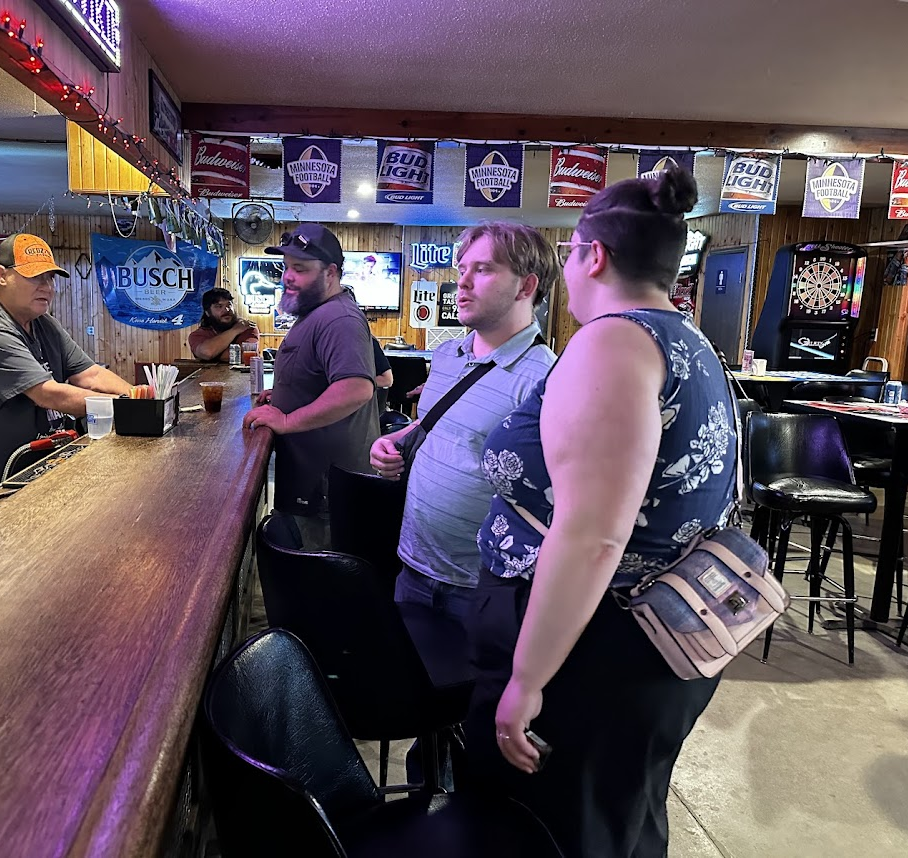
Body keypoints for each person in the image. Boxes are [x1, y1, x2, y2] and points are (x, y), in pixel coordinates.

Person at [462, 168, 736, 857]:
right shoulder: (690, 340)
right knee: (616, 824)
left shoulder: (612, 342)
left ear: (594, 255)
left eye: (569, 254)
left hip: (591, 645)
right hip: (642, 638)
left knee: (551, 832)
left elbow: (592, 537)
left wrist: (527, 679)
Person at [369, 222, 559, 624]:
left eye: (483, 270)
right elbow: (437, 426)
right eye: (462, 270)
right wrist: (395, 442)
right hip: (413, 563)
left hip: (484, 586)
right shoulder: (447, 356)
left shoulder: (548, 379)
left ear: (526, 286)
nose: (463, 283)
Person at [0, 233, 139, 518]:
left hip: (17, 479)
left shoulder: (44, 324)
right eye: (35, 277)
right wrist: (130, 407)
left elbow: (91, 374)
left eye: (50, 278)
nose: (46, 287)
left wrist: (139, 398)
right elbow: (47, 394)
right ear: (2, 275)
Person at [242, 224, 379, 549]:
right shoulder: (317, 313)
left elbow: (356, 388)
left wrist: (288, 419)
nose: (288, 277)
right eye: (286, 267)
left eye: (300, 269)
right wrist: (287, 393)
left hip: (327, 494)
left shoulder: (338, 319)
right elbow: (320, 377)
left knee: (318, 576)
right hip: (312, 486)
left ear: (330, 272)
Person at [188, 287, 259, 362]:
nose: (227, 310)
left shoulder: (247, 328)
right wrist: (234, 330)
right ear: (208, 312)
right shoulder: (198, 335)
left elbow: (245, 355)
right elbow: (207, 352)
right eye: (219, 306)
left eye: (229, 305)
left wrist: (213, 354)